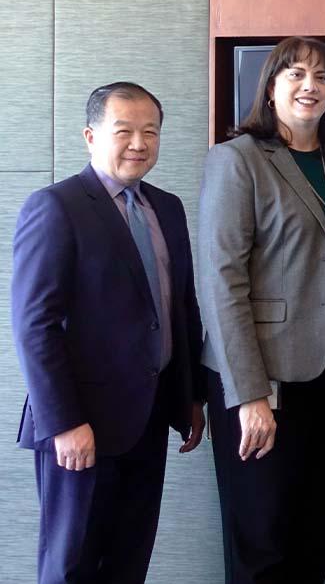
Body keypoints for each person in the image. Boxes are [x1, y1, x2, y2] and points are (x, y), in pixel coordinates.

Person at [12, 81, 206, 583]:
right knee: (71, 566)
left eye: (151, 132)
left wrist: (191, 398)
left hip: (148, 419)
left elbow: (181, 308)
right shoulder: (57, 206)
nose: (139, 143)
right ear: (90, 136)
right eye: (124, 131)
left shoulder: (167, 207)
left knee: (129, 561)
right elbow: (35, 327)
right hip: (82, 428)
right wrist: (63, 423)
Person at [197, 36, 325, 584]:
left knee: (312, 534)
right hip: (263, 381)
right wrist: (248, 394)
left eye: (322, 77)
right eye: (295, 74)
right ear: (270, 88)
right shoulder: (238, 159)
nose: (310, 86)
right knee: (263, 543)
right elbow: (221, 281)